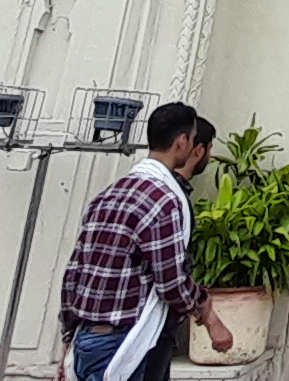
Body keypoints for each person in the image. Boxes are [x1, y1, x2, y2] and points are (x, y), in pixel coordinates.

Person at [60, 105, 233, 381]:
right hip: (127, 339)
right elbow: (171, 282)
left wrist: (70, 335)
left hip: (89, 337)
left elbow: (74, 272)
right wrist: (206, 309)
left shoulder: (108, 195)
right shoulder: (164, 200)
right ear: (183, 142)